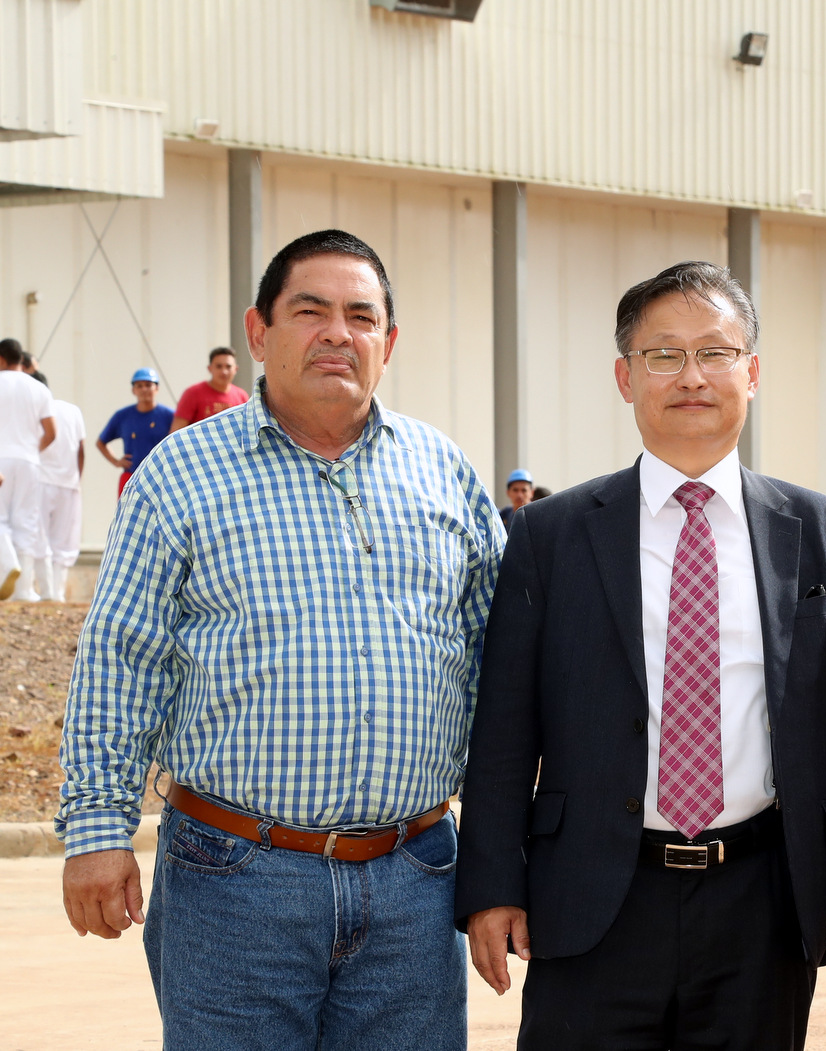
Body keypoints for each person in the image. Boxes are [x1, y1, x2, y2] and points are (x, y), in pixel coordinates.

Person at [57, 229, 506, 1051]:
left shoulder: (444, 473)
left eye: (361, 317)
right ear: (259, 332)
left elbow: (495, 669)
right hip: (235, 880)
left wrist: (503, 854)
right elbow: (122, 658)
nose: (338, 333)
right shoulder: (180, 475)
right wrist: (97, 830)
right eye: (310, 311)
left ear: (388, 342)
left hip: (417, 881)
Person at [455, 260, 826, 1050]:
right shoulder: (551, 535)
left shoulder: (825, 536)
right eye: (664, 354)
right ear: (626, 377)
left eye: (715, 352)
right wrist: (491, 880)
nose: (691, 376)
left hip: (761, 902)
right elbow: (505, 723)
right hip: (591, 896)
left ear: (751, 373)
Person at [0, 338, 56, 601]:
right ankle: (24, 590)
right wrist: (31, 451)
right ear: (21, 359)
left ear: (0, 359)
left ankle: (8, 565)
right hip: (29, 461)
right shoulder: (39, 388)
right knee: (25, 523)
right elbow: (51, 433)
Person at [33, 375, 85, 601]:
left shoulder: (34, 410)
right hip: (68, 482)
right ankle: (58, 593)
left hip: (41, 481)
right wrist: (77, 479)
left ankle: (46, 591)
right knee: (64, 541)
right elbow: (81, 449)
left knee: (40, 536)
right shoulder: (72, 410)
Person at [96, 368, 174, 496]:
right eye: (139, 386)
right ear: (133, 390)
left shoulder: (169, 416)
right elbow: (101, 442)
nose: (144, 389)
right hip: (131, 477)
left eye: (148, 385)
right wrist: (116, 461)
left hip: (160, 477)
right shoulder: (122, 416)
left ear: (157, 388)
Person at [170, 347, 250, 431]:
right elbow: (176, 431)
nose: (224, 372)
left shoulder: (242, 396)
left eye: (228, 366)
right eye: (219, 366)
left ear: (236, 369)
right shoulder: (192, 393)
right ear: (210, 368)